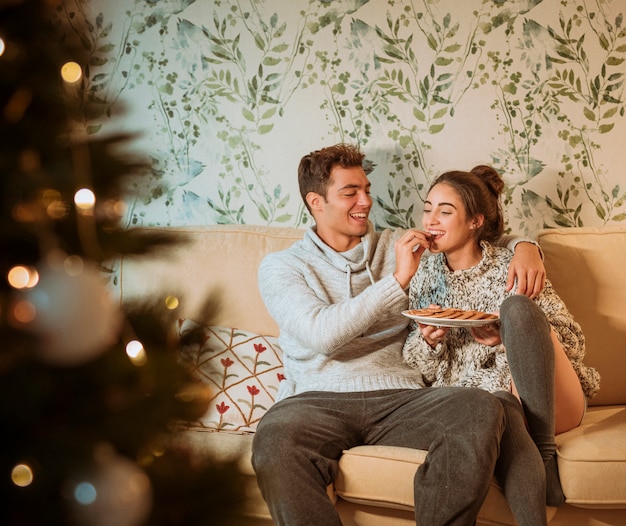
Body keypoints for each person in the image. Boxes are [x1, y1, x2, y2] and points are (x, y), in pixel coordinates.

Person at [252, 144, 548, 526]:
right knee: (274, 439)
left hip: (401, 399)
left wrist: (527, 247)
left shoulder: (398, 245)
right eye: (350, 193)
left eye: (366, 189)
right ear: (316, 201)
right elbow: (320, 333)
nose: (365, 201)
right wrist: (397, 280)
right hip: (315, 401)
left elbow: (468, 235)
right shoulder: (281, 267)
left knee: (481, 407)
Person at [402, 165, 601, 509]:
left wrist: (510, 336)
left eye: (445, 211)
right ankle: (534, 462)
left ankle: (543, 452)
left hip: (551, 400)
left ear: (475, 221)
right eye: (428, 208)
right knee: (498, 408)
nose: (431, 220)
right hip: (487, 407)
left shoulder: (514, 265)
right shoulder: (424, 276)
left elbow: (572, 343)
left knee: (518, 311)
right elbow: (420, 367)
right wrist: (429, 341)